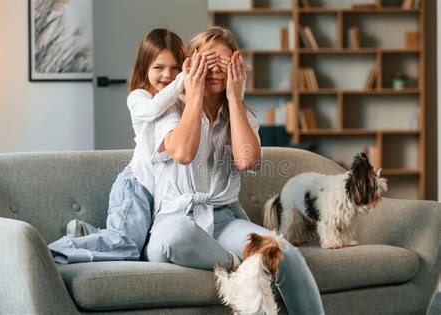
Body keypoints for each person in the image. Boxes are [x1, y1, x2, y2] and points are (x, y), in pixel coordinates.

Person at [144, 27, 325, 315]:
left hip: (223, 221)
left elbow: (246, 160)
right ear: (192, 64)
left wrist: (234, 97)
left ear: (238, 67)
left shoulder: (241, 114)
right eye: (208, 61)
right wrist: (193, 94)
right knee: (179, 233)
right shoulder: (167, 108)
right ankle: (243, 268)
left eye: (225, 63)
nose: (216, 69)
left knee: (282, 251)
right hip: (174, 222)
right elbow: (183, 153)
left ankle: (255, 266)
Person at [48, 28, 218, 263]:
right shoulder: (139, 98)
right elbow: (154, 108)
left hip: (156, 194)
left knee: (139, 250)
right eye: (159, 67)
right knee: (126, 248)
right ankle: (55, 251)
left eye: (175, 68)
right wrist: (183, 80)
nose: (167, 75)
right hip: (137, 186)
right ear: (144, 68)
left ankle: (85, 232)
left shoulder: (178, 103)